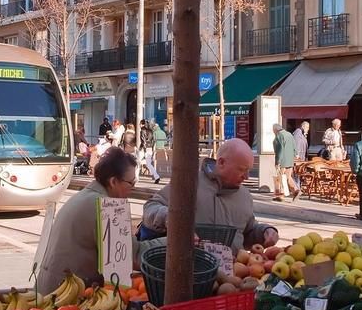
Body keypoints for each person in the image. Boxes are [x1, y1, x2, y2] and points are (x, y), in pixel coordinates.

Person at [142, 138, 279, 255]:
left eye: (248, 170)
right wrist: (170, 217)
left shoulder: (245, 195)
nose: (247, 176)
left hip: (232, 278)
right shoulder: (188, 184)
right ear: (221, 162)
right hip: (191, 273)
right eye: (242, 169)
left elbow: (246, 232)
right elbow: (151, 207)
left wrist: (265, 232)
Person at [37, 147, 138, 293]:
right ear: (113, 182)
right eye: (131, 183)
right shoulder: (108, 207)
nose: (132, 188)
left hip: (49, 289)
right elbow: (130, 258)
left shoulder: (85, 196)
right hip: (68, 298)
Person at [272, 124, 299, 201]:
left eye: (273, 131)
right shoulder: (289, 134)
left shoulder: (279, 136)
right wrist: (295, 154)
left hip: (283, 161)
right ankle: (296, 190)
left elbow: (279, 150)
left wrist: (277, 162)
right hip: (290, 160)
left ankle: (280, 196)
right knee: (287, 177)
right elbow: (294, 146)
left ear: (275, 130)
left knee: (280, 178)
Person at [139, 118, 160, 183]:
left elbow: (143, 141)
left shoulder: (142, 130)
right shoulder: (151, 131)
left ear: (142, 124)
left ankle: (134, 177)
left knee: (136, 161)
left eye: (140, 124)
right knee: (148, 164)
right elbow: (153, 141)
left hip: (144, 148)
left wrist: (143, 149)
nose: (139, 125)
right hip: (150, 148)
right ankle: (157, 177)